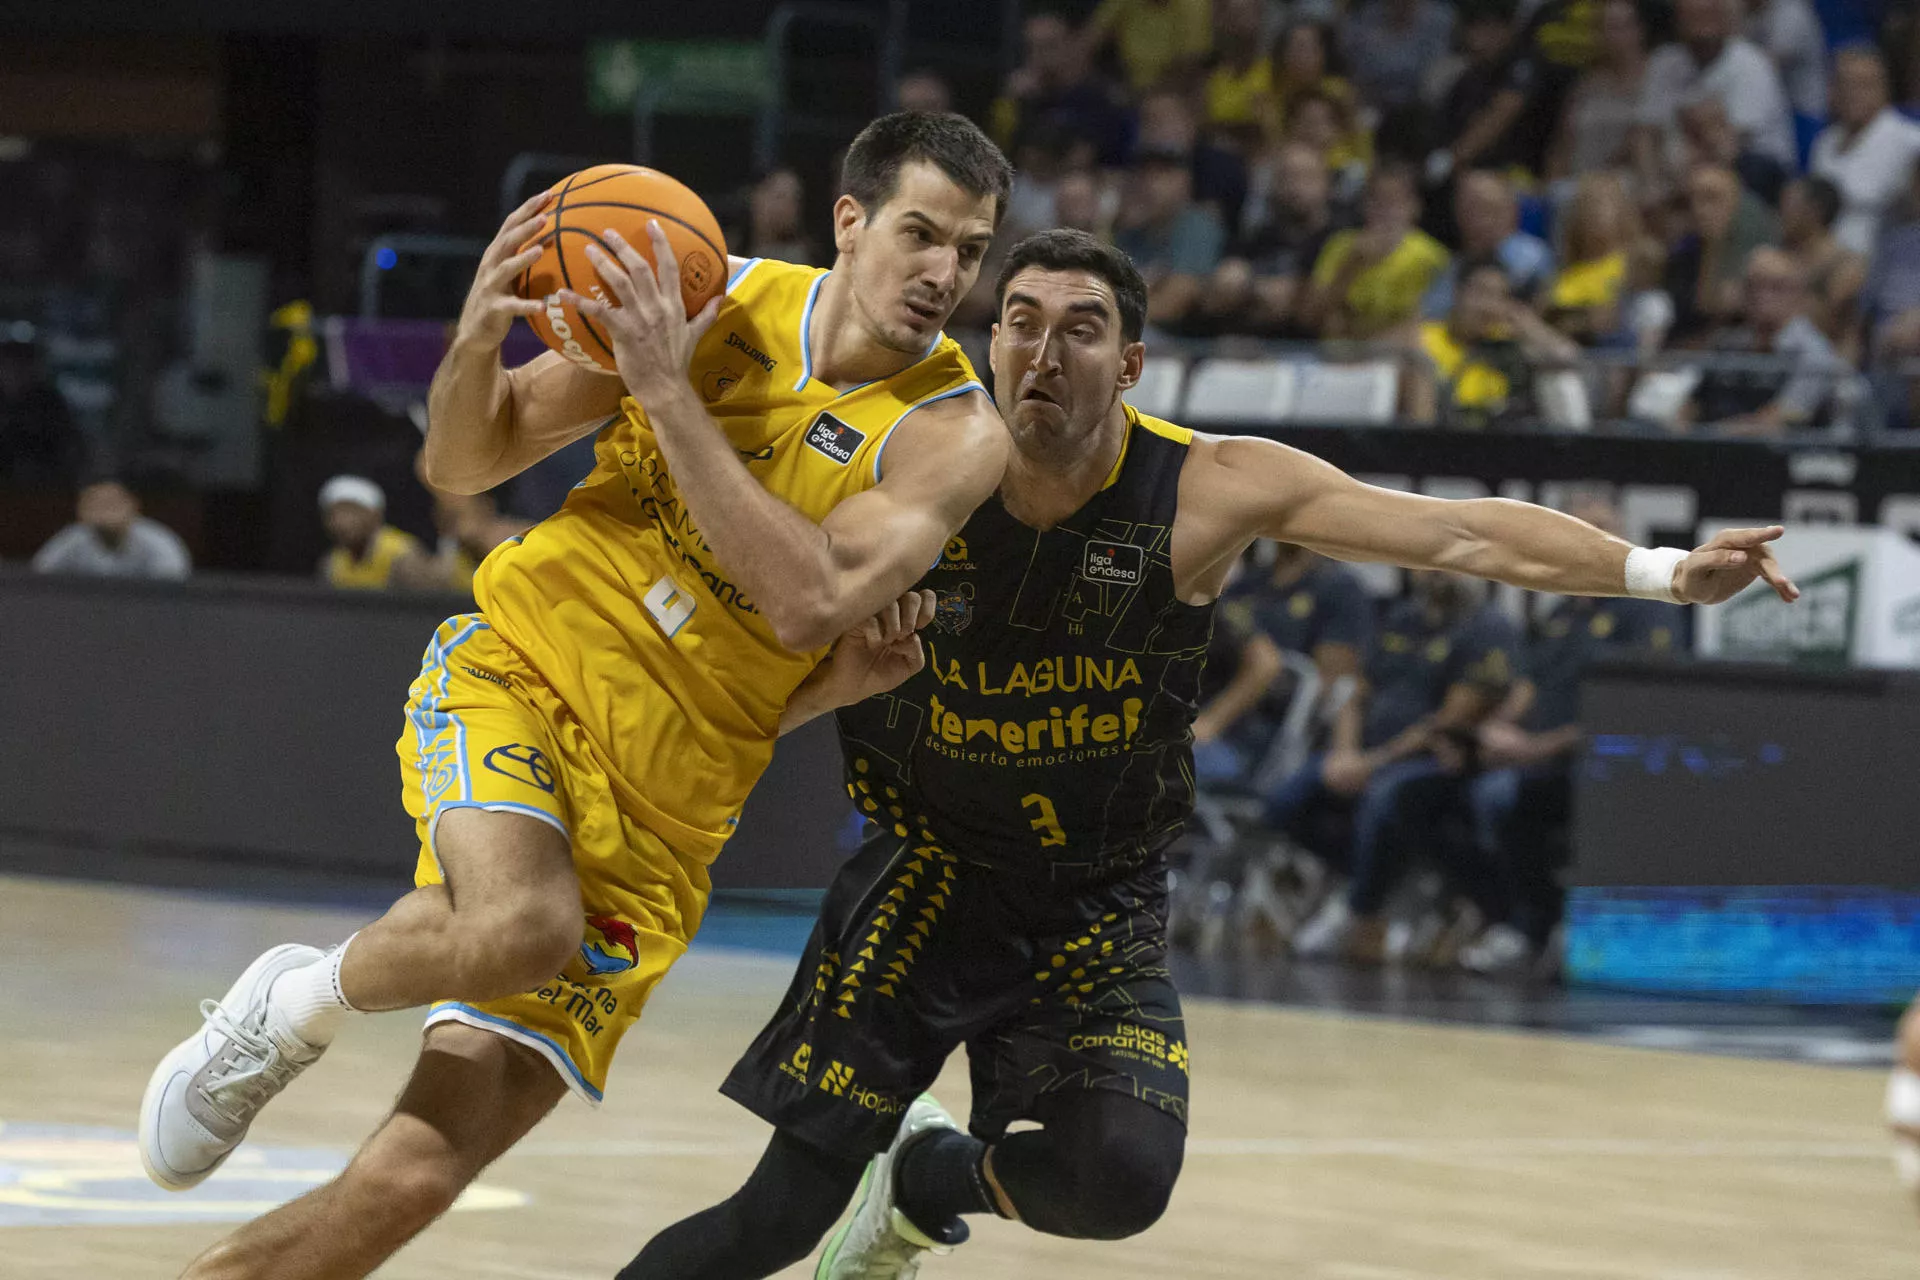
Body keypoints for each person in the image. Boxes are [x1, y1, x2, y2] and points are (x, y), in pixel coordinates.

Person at [619, 226, 1797, 1280]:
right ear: (989, 344)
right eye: (1019, 321)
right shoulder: (909, 471)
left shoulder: (1208, 485)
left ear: (1130, 365)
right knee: (770, 1219)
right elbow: (760, 611)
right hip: (926, 875)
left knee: (1120, 1178)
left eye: (1082, 330)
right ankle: (873, 1183)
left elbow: (1458, 529)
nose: (1043, 351)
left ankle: (930, 1181)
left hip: (1096, 896)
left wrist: (1663, 572)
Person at [137, 112, 1015, 1280]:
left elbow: (804, 605)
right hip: (524, 672)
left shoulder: (953, 434)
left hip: (668, 817)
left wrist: (665, 391)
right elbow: (463, 461)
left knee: (413, 1176)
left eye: (970, 247)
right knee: (519, 925)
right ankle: (292, 1004)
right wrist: (474, 346)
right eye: (923, 233)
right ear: (850, 222)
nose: (946, 272)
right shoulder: (703, 291)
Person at [1454, 488, 1680, 976]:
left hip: (1607, 766)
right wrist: (1496, 730)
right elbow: (1528, 688)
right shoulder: (1561, 613)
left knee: (1505, 798)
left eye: (1604, 526)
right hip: (1537, 760)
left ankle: (1537, 923)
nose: (1595, 538)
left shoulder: (1647, 609)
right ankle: (1508, 917)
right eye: (1582, 527)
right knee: (1440, 791)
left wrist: (1531, 749)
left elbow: (1634, 714)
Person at [1275, 568, 1524, 960]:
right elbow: (1354, 691)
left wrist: (1371, 763)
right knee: (1285, 799)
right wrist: (1345, 751)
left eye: (1449, 561)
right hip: (1366, 753)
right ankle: (1359, 880)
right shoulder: (1401, 618)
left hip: (1434, 762)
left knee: (1384, 797)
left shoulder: (1487, 627)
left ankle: (1360, 909)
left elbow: (1448, 721)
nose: (1437, 571)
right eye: (1428, 559)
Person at [1193, 543, 1371, 784]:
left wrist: (1344, 750)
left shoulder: (1337, 587)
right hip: (1202, 700)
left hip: (1259, 727)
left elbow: (1339, 684)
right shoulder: (1249, 582)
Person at [1682, 245, 1850, 435]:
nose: (1761, 295)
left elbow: (1780, 419)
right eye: (1753, 285)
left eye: (1776, 287)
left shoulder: (1814, 355)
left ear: (1799, 294)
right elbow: (1692, 404)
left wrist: (1709, 435)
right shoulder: (1727, 343)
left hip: (1779, 457)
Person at [1632, 0, 1795, 196]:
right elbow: (1643, 134)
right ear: (1677, 20)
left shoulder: (1751, 63)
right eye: (1692, 16)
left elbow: (1728, 147)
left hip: (1750, 176)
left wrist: (1679, 179)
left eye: (1708, 15)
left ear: (1724, 19)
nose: (1701, 27)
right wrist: (1651, 185)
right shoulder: (1664, 62)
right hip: (1679, 171)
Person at [1398, 258, 1583, 428]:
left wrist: (1529, 326)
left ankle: (1576, 455)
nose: (1487, 305)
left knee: (1560, 377)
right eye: (1481, 293)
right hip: (1439, 437)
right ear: (1457, 292)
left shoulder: (1511, 343)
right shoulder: (1424, 336)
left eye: (1498, 296)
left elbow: (1568, 358)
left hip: (1500, 443)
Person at [1301, 162, 1452, 339]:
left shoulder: (1431, 256)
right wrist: (1350, 267)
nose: (1384, 210)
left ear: (1414, 207)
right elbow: (1309, 317)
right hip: (1339, 357)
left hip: (1398, 356)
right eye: (1376, 200)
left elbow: (1435, 325)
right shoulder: (1341, 245)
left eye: (1394, 201)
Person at [1811, 47, 1920, 256]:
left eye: (1864, 85)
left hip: (1879, 257)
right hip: (1822, 253)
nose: (1853, 94)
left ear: (1884, 90)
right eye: (1845, 84)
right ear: (1832, 90)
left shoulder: (1908, 138)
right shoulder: (1824, 141)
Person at [1113, 145, 1226, 331]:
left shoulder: (1198, 225)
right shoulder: (1131, 232)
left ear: (1184, 182)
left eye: (1161, 175)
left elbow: (1176, 301)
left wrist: (1110, 321)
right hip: (1141, 335)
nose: (1149, 184)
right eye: (1144, 173)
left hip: (1186, 342)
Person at [1422, 170, 1556, 317]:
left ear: (1511, 211)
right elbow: (1432, 314)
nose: (1478, 219)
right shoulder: (1449, 264)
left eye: (1487, 209)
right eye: (1468, 210)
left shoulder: (1532, 257)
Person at [1547, 0, 1649, 182]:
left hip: (1627, 184)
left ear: (1639, 30)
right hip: (1574, 185)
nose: (1615, 36)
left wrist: (1598, 180)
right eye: (1607, 28)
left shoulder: (1656, 78)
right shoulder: (1585, 85)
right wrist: (1551, 187)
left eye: (1622, 27)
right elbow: (1561, 147)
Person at [31, 478, 191, 580]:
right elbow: (39, 578)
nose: (104, 512)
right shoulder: (73, 538)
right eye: (94, 504)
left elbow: (173, 592)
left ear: (133, 506)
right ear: (80, 511)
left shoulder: (158, 543)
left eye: (112, 504)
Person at [1778, 176, 1867, 342]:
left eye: (1789, 204)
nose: (1781, 212)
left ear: (1814, 210)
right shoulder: (1780, 255)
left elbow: (1827, 320)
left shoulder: (1847, 265)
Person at [0, 325, 86, 487]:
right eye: (9, 365)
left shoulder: (49, 402)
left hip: (43, 487)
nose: (16, 371)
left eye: (22, 364)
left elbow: (70, 444)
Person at [316, 474, 424, 590]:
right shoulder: (331, 563)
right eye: (333, 514)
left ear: (375, 515)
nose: (340, 522)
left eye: (351, 511)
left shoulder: (401, 554)